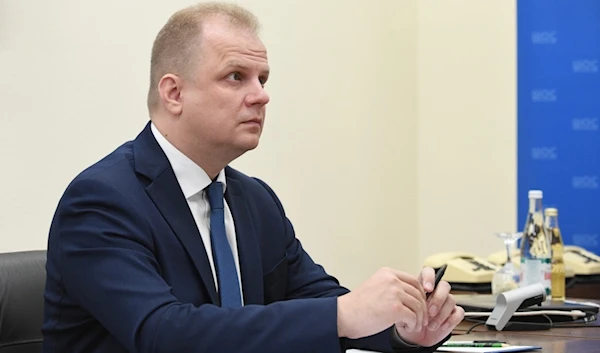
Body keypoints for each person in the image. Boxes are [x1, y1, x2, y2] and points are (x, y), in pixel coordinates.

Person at [41, 2, 464, 353]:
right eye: (235, 77)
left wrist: (403, 328)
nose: (261, 95)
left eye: (262, 79)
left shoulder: (253, 199)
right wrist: (344, 314)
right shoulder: (101, 200)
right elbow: (163, 332)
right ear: (174, 93)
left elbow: (321, 302)